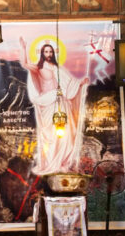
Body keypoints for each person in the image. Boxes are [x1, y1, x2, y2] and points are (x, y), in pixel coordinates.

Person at [20, 37, 89, 174]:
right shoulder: (38, 68)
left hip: (61, 101)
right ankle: (52, 162)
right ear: (42, 53)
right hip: (48, 102)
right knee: (50, 135)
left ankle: (63, 161)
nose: (49, 54)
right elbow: (25, 63)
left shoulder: (58, 68)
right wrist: (23, 48)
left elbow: (69, 85)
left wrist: (80, 83)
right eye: (46, 51)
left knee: (68, 132)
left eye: (50, 52)